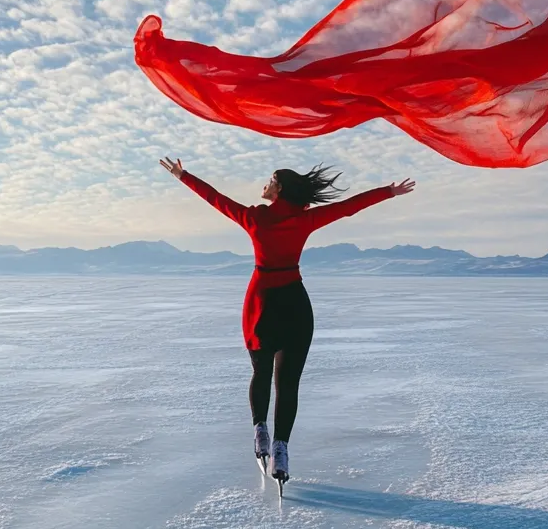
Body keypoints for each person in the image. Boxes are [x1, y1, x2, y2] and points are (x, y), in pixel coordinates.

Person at [159, 156, 414, 486]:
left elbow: (216, 199)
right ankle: (281, 449)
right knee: (288, 383)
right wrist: (387, 192)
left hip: (262, 303)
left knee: (261, 372)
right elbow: (347, 208)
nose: (263, 185)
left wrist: (184, 176)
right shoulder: (304, 220)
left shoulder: (255, 219)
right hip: (295, 303)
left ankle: (260, 432)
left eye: (269, 180)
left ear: (278, 189)